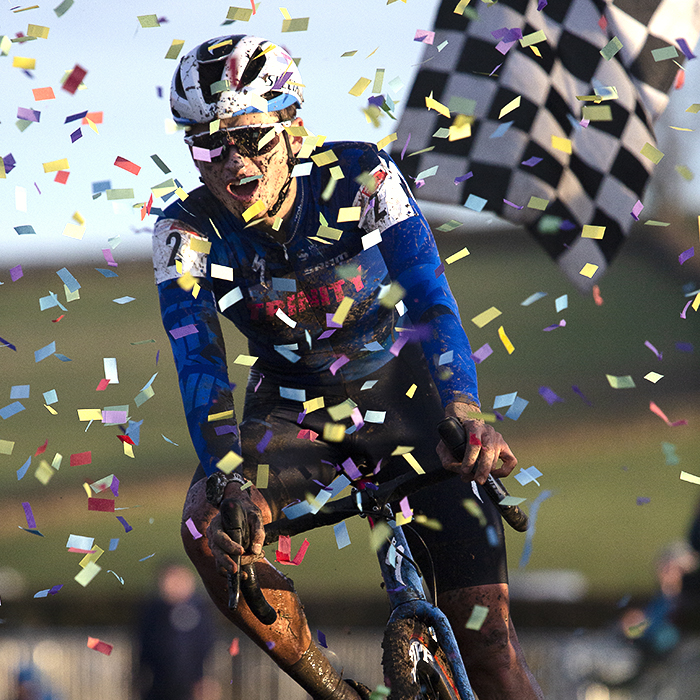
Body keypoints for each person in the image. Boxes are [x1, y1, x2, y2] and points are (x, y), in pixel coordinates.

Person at [153, 34, 544, 699]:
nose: (233, 164)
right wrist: (227, 482)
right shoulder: (184, 231)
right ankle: (333, 690)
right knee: (205, 523)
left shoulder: (367, 173)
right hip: (296, 418)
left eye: (251, 138)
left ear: (294, 127)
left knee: (492, 654)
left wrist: (465, 408)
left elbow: (430, 296)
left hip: (410, 402)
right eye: (208, 147)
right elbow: (200, 367)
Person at [136, 562, 218, 700]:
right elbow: (144, 647)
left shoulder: (200, 609)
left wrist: (207, 679)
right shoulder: (153, 611)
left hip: (192, 687)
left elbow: (207, 644)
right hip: (157, 687)